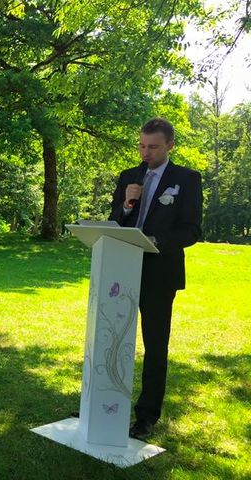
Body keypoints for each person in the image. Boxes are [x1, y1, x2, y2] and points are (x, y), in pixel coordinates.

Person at [109, 118, 203, 439]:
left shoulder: (187, 179)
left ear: (169, 146)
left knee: (155, 346)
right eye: (142, 146)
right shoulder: (128, 177)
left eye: (153, 147)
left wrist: (156, 241)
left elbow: (192, 230)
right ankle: (107, 402)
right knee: (112, 338)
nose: (145, 152)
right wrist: (125, 203)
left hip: (160, 275)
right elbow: (114, 222)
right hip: (121, 270)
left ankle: (146, 416)